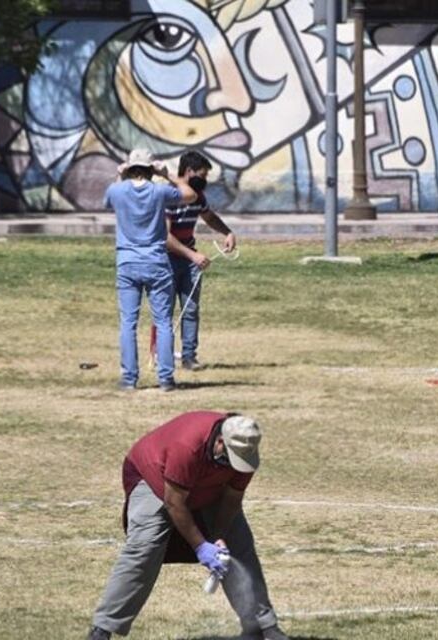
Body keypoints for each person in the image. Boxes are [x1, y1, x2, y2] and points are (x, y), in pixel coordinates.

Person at [87, 411, 289, 640]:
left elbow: (232, 499)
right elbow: (174, 503)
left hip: (206, 487)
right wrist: (201, 546)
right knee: (144, 548)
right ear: (221, 441)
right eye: (231, 457)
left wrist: (219, 538)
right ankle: (102, 629)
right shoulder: (187, 445)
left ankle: (263, 626)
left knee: (239, 545)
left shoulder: (246, 451)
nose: (235, 464)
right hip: (156, 480)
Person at [104, 149, 204, 391]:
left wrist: (119, 175)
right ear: (151, 169)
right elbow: (191, 195)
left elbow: (110, 202)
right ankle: (166, 378)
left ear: (129, 168)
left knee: (128, 322)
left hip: (127, 261)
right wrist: (167, 173)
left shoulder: (117, 189)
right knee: (162, 321)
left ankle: (129, 378)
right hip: (156, 261)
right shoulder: (159, 191)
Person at [166, 151, 237, 371]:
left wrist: (227, 232)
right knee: (164, 312)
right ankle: (162, 357)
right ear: (188, 172)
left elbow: (209, 217)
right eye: (202, 175)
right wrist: (193, 256)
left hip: (189, 261)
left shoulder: (198, 197)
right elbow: (164, 237)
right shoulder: (168, 196)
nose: (205, 180)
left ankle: (189, 357)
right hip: (166, 261)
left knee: (191, 309)